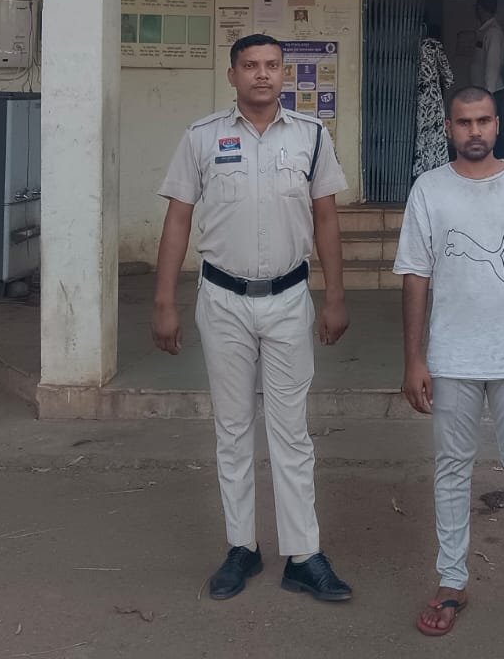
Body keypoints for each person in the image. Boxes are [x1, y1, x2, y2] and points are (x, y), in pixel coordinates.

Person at [152, 34, 355, 604]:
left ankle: (304, 555)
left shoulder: (312, 136)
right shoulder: (201, 137)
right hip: (222, 300)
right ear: (232, 75)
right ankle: (241, 547)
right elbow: (177, 220)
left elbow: (326, 219)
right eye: (250, 66)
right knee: (233, 428)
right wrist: (163, 302)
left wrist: (335, 295)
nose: (262, 74)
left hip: (288, 299)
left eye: (271, 65)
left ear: (283, 73)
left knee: (292, 432)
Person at [396, 86, 504, 640]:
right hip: (452, 357)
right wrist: (414, 358)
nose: (475, 131)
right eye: (464, 122)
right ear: (449, 127)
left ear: (497, 124)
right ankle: (452, 582)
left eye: (484, 120)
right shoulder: (429, 189)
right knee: (452, 468)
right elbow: (415, 277)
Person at [470, 0, 504, 155]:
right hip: (485, 92)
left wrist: (488, 96)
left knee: (491, 132)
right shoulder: (485, 31)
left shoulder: (493, 33)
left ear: (480, 8)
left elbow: (492, 65)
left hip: (491, 93)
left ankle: (496, 162)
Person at [413, 30, 454, 178]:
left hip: (407, 98)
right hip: (430, 97)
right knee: (433, 131)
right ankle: (433, 167)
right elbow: (448, 77)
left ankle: (418, 168)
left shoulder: (406, 43)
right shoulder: (433, 45)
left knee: (417, 133)